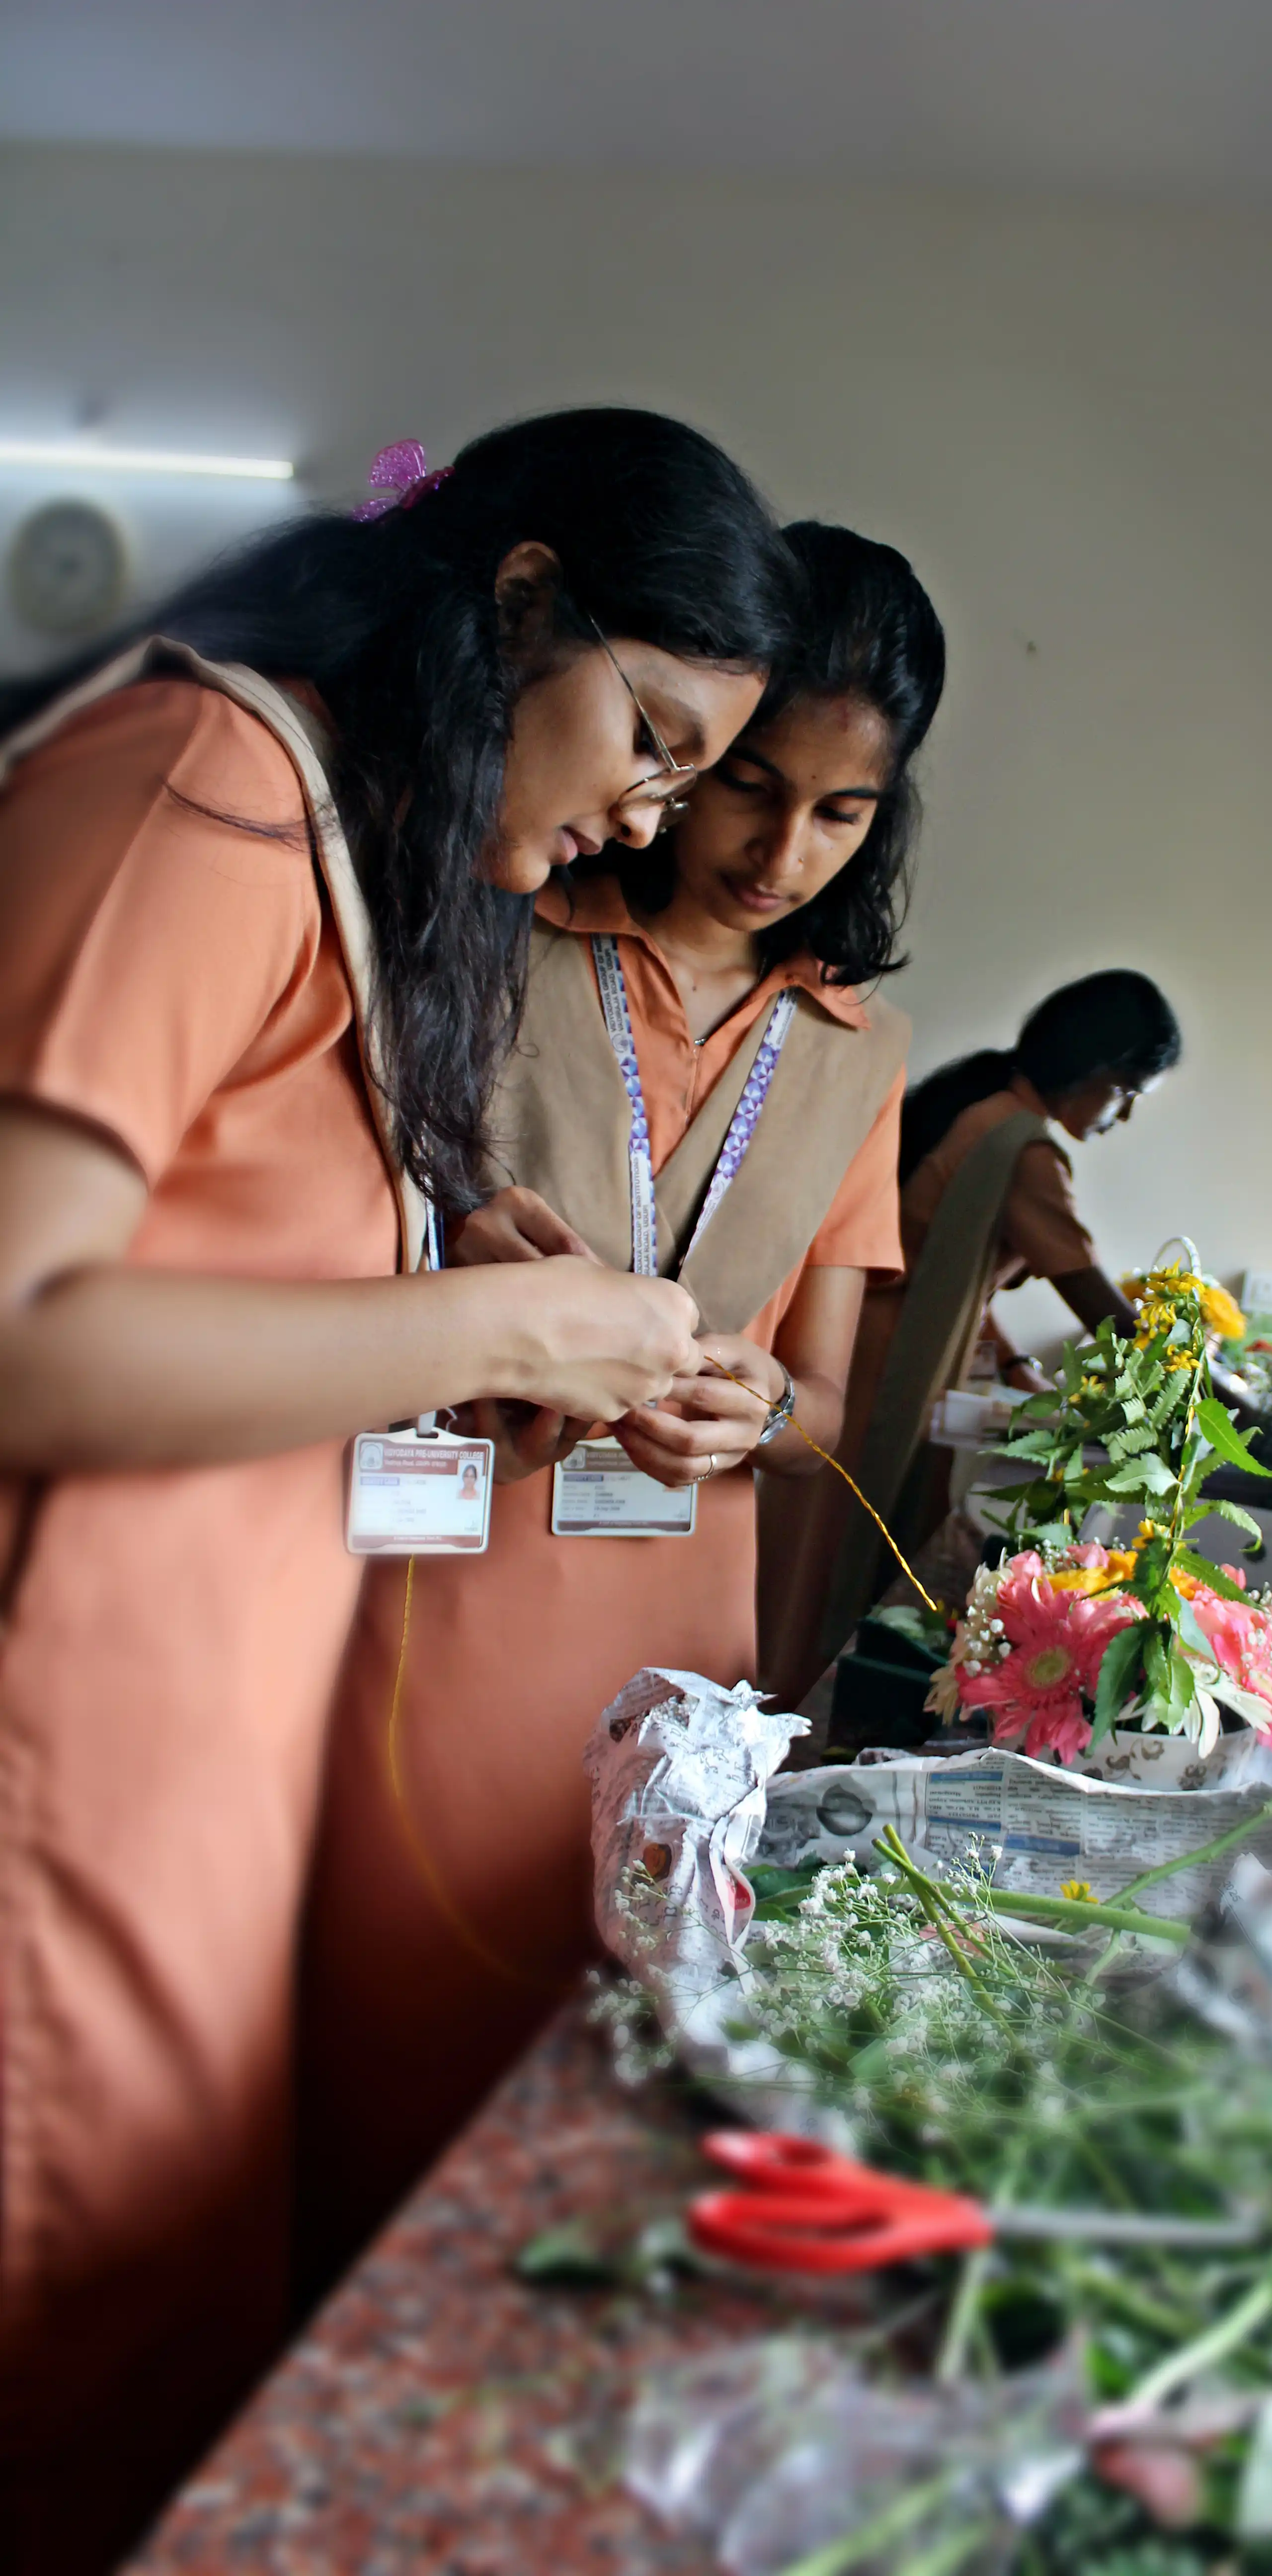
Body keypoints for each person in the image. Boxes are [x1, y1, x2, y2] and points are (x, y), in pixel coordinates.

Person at [0, 405, 800, 2572]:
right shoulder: (213, 783)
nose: (643, 817)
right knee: (72, 2357)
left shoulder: (334, 855)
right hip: (56, 1762)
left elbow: (216, 1269)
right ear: (517, 599)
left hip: (190, 1769)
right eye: (646, 738)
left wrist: (466, 1269)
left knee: (156, 2331)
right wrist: (504, 1336)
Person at [296, 522, 946, 2287]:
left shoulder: (859, 1051)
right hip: (445, 1566)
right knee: (399, 1982)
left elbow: (820, 1400)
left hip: (682, 1615)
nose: (776, 848)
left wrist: (753, 1407)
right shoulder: (499, 920)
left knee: (622, 2016)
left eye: (840, 813)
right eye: (749, 784)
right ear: (680, 751)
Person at [761, 970, 1182, 1697]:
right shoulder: (1024, 1150)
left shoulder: (985, 1109)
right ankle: (798, 1711)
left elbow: (947, 1274)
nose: (1126, 1115)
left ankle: (784, 1695)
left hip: (861, 1346)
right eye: (1129, 1092)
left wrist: (1017, 1363)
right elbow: (1100, 1305)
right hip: (881, 1372)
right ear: (1095, 1068)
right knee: (840, 1559)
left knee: (813, 1552)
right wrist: (1194, 1379)